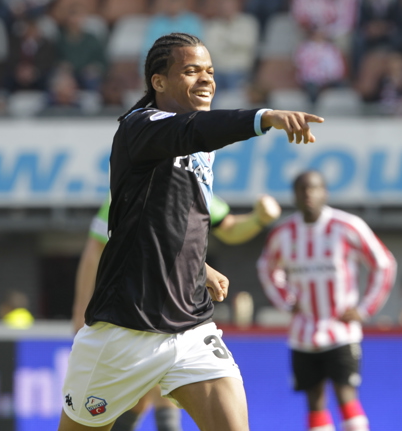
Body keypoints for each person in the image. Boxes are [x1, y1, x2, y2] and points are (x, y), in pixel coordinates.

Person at [59, 32, 323, 431]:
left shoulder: (198, 146)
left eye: (210, 71)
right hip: (124, 330)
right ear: (158, 81)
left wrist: (199, 268)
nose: (206, 80)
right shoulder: (140, 126)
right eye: (191, 71)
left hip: (191, 328)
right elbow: (193, 130)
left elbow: (177, 220)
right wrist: (263, 117)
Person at [72, 192, 283, 431]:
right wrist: (81, 310)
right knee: (139, 402)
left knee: (165, 395)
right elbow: (98, 249)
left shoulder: (195, 185)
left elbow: (229, 228)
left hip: (181, 319)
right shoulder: (130, 188)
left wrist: (258, 219)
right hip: (127, 317)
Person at [257, 170, 396, 431]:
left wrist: (365, 309)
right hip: (303, 333)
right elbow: (266, 267)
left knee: (346, 396)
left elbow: (384, 263)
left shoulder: (347, 226)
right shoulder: (284, 232)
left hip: (341, 330)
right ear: (294, 195)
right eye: (302, 189)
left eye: (314, 188)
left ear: (325, 193)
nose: (308, 194)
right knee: (314, 401)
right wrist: (286, 301)